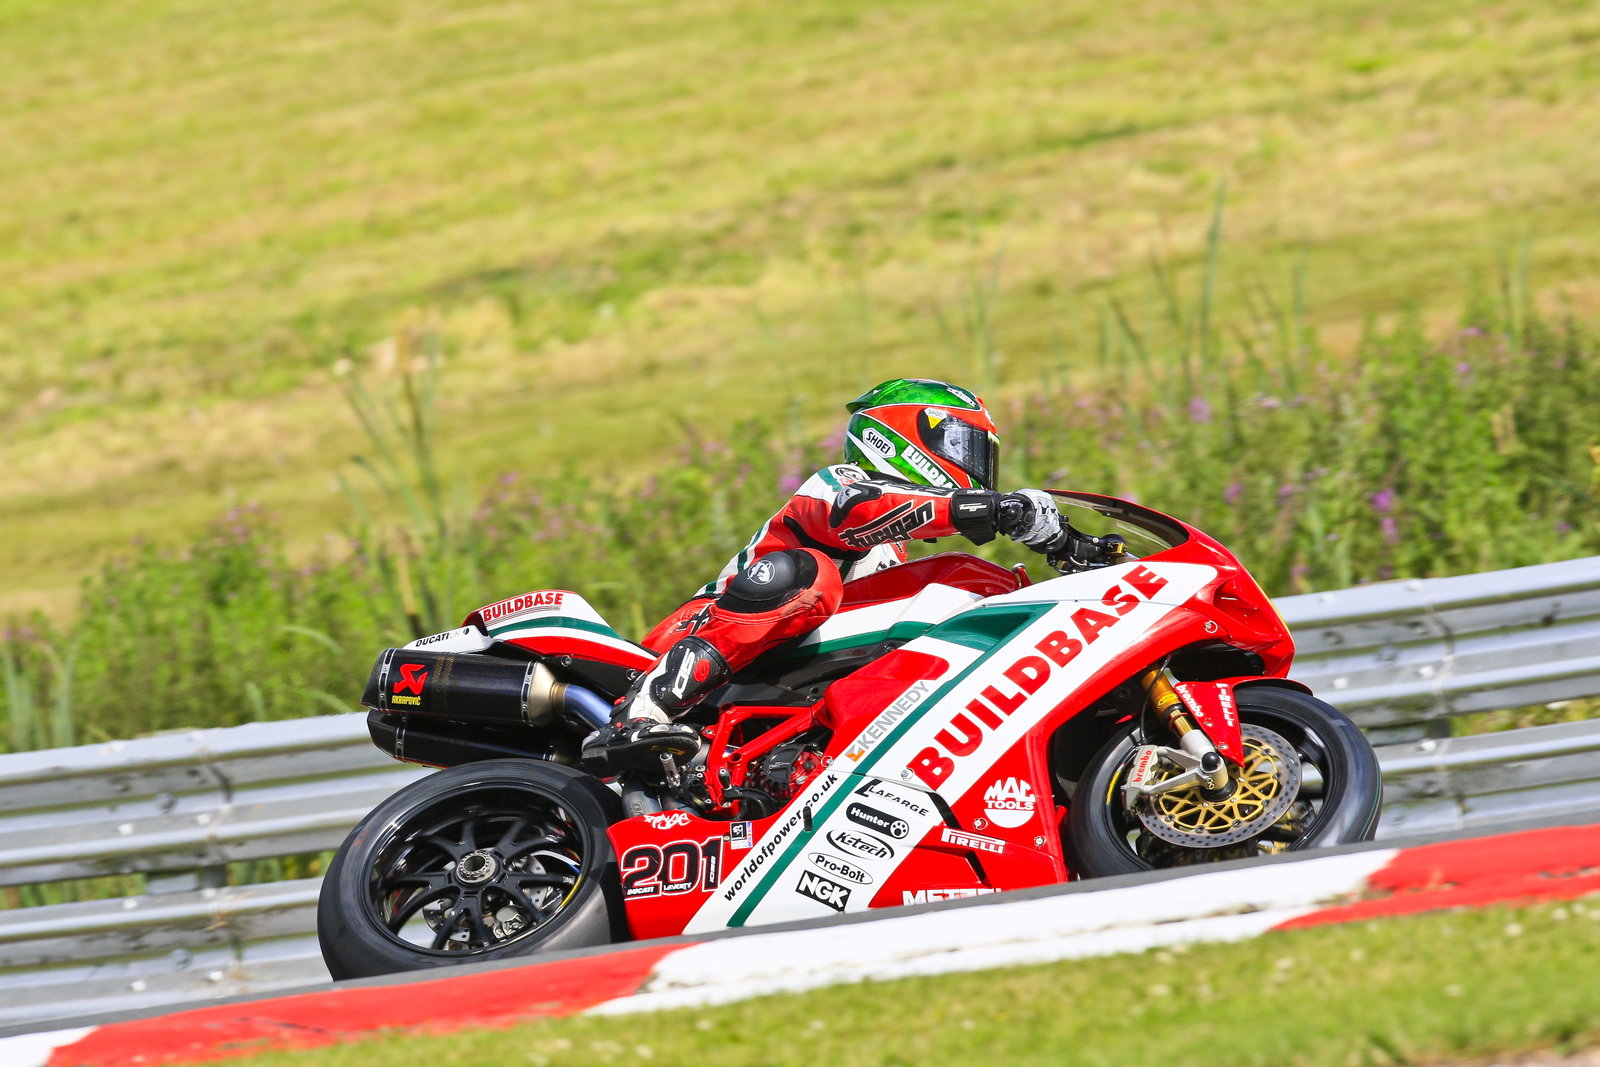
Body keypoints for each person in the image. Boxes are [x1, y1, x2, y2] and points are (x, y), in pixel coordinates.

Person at [579, 377, 1064, 776]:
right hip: (700, 637)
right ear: (903, 438)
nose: (976, 465)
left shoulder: (895, 550)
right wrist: (988, 509)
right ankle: (643, 711)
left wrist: (1069, 545)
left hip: (784, 682)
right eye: (964, 444)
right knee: (809, 574)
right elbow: (862, 512)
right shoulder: (840, 485)